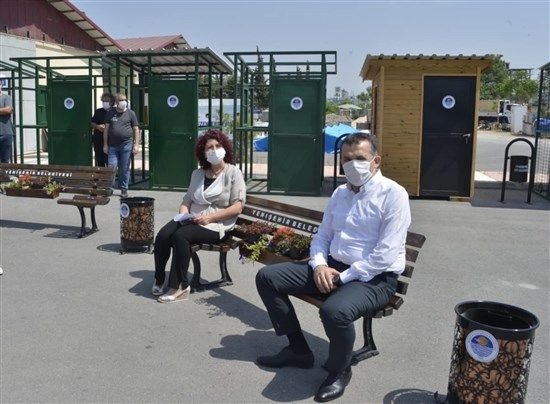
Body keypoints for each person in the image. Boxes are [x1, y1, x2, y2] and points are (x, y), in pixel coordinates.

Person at [255, 133, 411, 402]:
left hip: (375, 277)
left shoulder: (393, 194)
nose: (352, 164)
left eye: (360, 158)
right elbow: (323, 236)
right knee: (267, 277)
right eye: (346, 159)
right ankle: (298, 350)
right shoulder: (340, 193)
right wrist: (319, 266)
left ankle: (340, 370)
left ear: (376, 161)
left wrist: (342, 278)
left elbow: (385, 254)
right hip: (333, 267)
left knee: (334, 311)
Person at [152, 129, 246, 303]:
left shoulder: (233, 172)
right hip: (191, 218)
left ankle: (180, 287)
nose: (214, 150)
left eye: (218, 146)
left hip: (216, 225)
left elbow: (237, 207)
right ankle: (159, 278)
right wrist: (183, 213)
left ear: (225, 148)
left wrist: (209, 218)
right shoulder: (197, 174)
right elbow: (187, 200)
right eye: (209, 147)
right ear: (203, 152)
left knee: (180, 236)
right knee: (163, 235)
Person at [103, 93, 139, 198]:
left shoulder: (131, 113)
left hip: (126, 145)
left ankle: (124, 189)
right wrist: (105, 145)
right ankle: (110, 188)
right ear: (116, 102)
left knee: (124, 168)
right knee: (111, 167)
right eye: (121, 100)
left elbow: (136, 129)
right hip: (112, 146)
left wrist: (136, 145)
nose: (124, 102)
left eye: (125, 100)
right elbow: (106, 130)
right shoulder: (110, 113)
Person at [91, 93, 114, 167]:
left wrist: (107, 128)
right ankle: (100, 174)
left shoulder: (115, 112)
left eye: (107, 101)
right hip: (98, 140)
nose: (105, 103)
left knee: (110, 162)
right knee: (100, 161)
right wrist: (98, 127)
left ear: (112, 102)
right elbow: (92, 123)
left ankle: (109, 174)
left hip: (111, 141)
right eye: (103, 101)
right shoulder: (98, 111)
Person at [0, 80, 14, 163]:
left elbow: (8, 110)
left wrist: (5, 110)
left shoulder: (6, 97)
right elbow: (5, 110)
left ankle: (4, 172)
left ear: (1, 85)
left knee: (5, 161)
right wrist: (2, 110)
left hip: (5, 134)